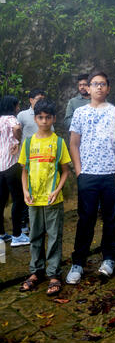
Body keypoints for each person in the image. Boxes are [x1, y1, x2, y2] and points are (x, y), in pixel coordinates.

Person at [66, 70, 115, 284]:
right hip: (87, 174)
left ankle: (109, 259)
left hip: (111, 174)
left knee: (110, 219)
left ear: (108, 88)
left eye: (103, 84)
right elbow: (74, 143)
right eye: (95, 84)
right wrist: (79, 172)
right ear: (87, 88)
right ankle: (78, 263)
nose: (99, 87)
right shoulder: (80, 112)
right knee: (85, 219)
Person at [18, 98, 71, 296]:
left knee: (55, 236)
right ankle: (35, 271)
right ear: (35, 118)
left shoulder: (58, 142)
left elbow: (65, 170)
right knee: (35, 236)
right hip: (33, 200)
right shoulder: (29, 143)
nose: (44, 121)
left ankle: (54, 274)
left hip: (52, 200)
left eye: (48, 118)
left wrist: (57, 190)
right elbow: (24, 170)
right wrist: (25, 191)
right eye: (40, 117)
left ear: (53, 119)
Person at [17, 88, 51, 234]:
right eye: (38, 99)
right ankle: (24, 223)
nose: (40, 101)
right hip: (28, 157)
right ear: (30, 100)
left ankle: (42, 222)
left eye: (42, 99)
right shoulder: (23, 115)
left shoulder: (46, 116)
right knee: (26, 189)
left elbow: (51, 133)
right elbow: (17, 132)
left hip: (44, 158)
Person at [0, 96, 30, 246]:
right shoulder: (11, 119)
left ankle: (1, 234)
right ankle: (17, 235)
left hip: (0, 166)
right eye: (17, 105)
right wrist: (17, 140)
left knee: (2, 199)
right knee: (18, 200)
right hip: (12, 165)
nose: (18, 107)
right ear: (13, 106)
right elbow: (17, 128)